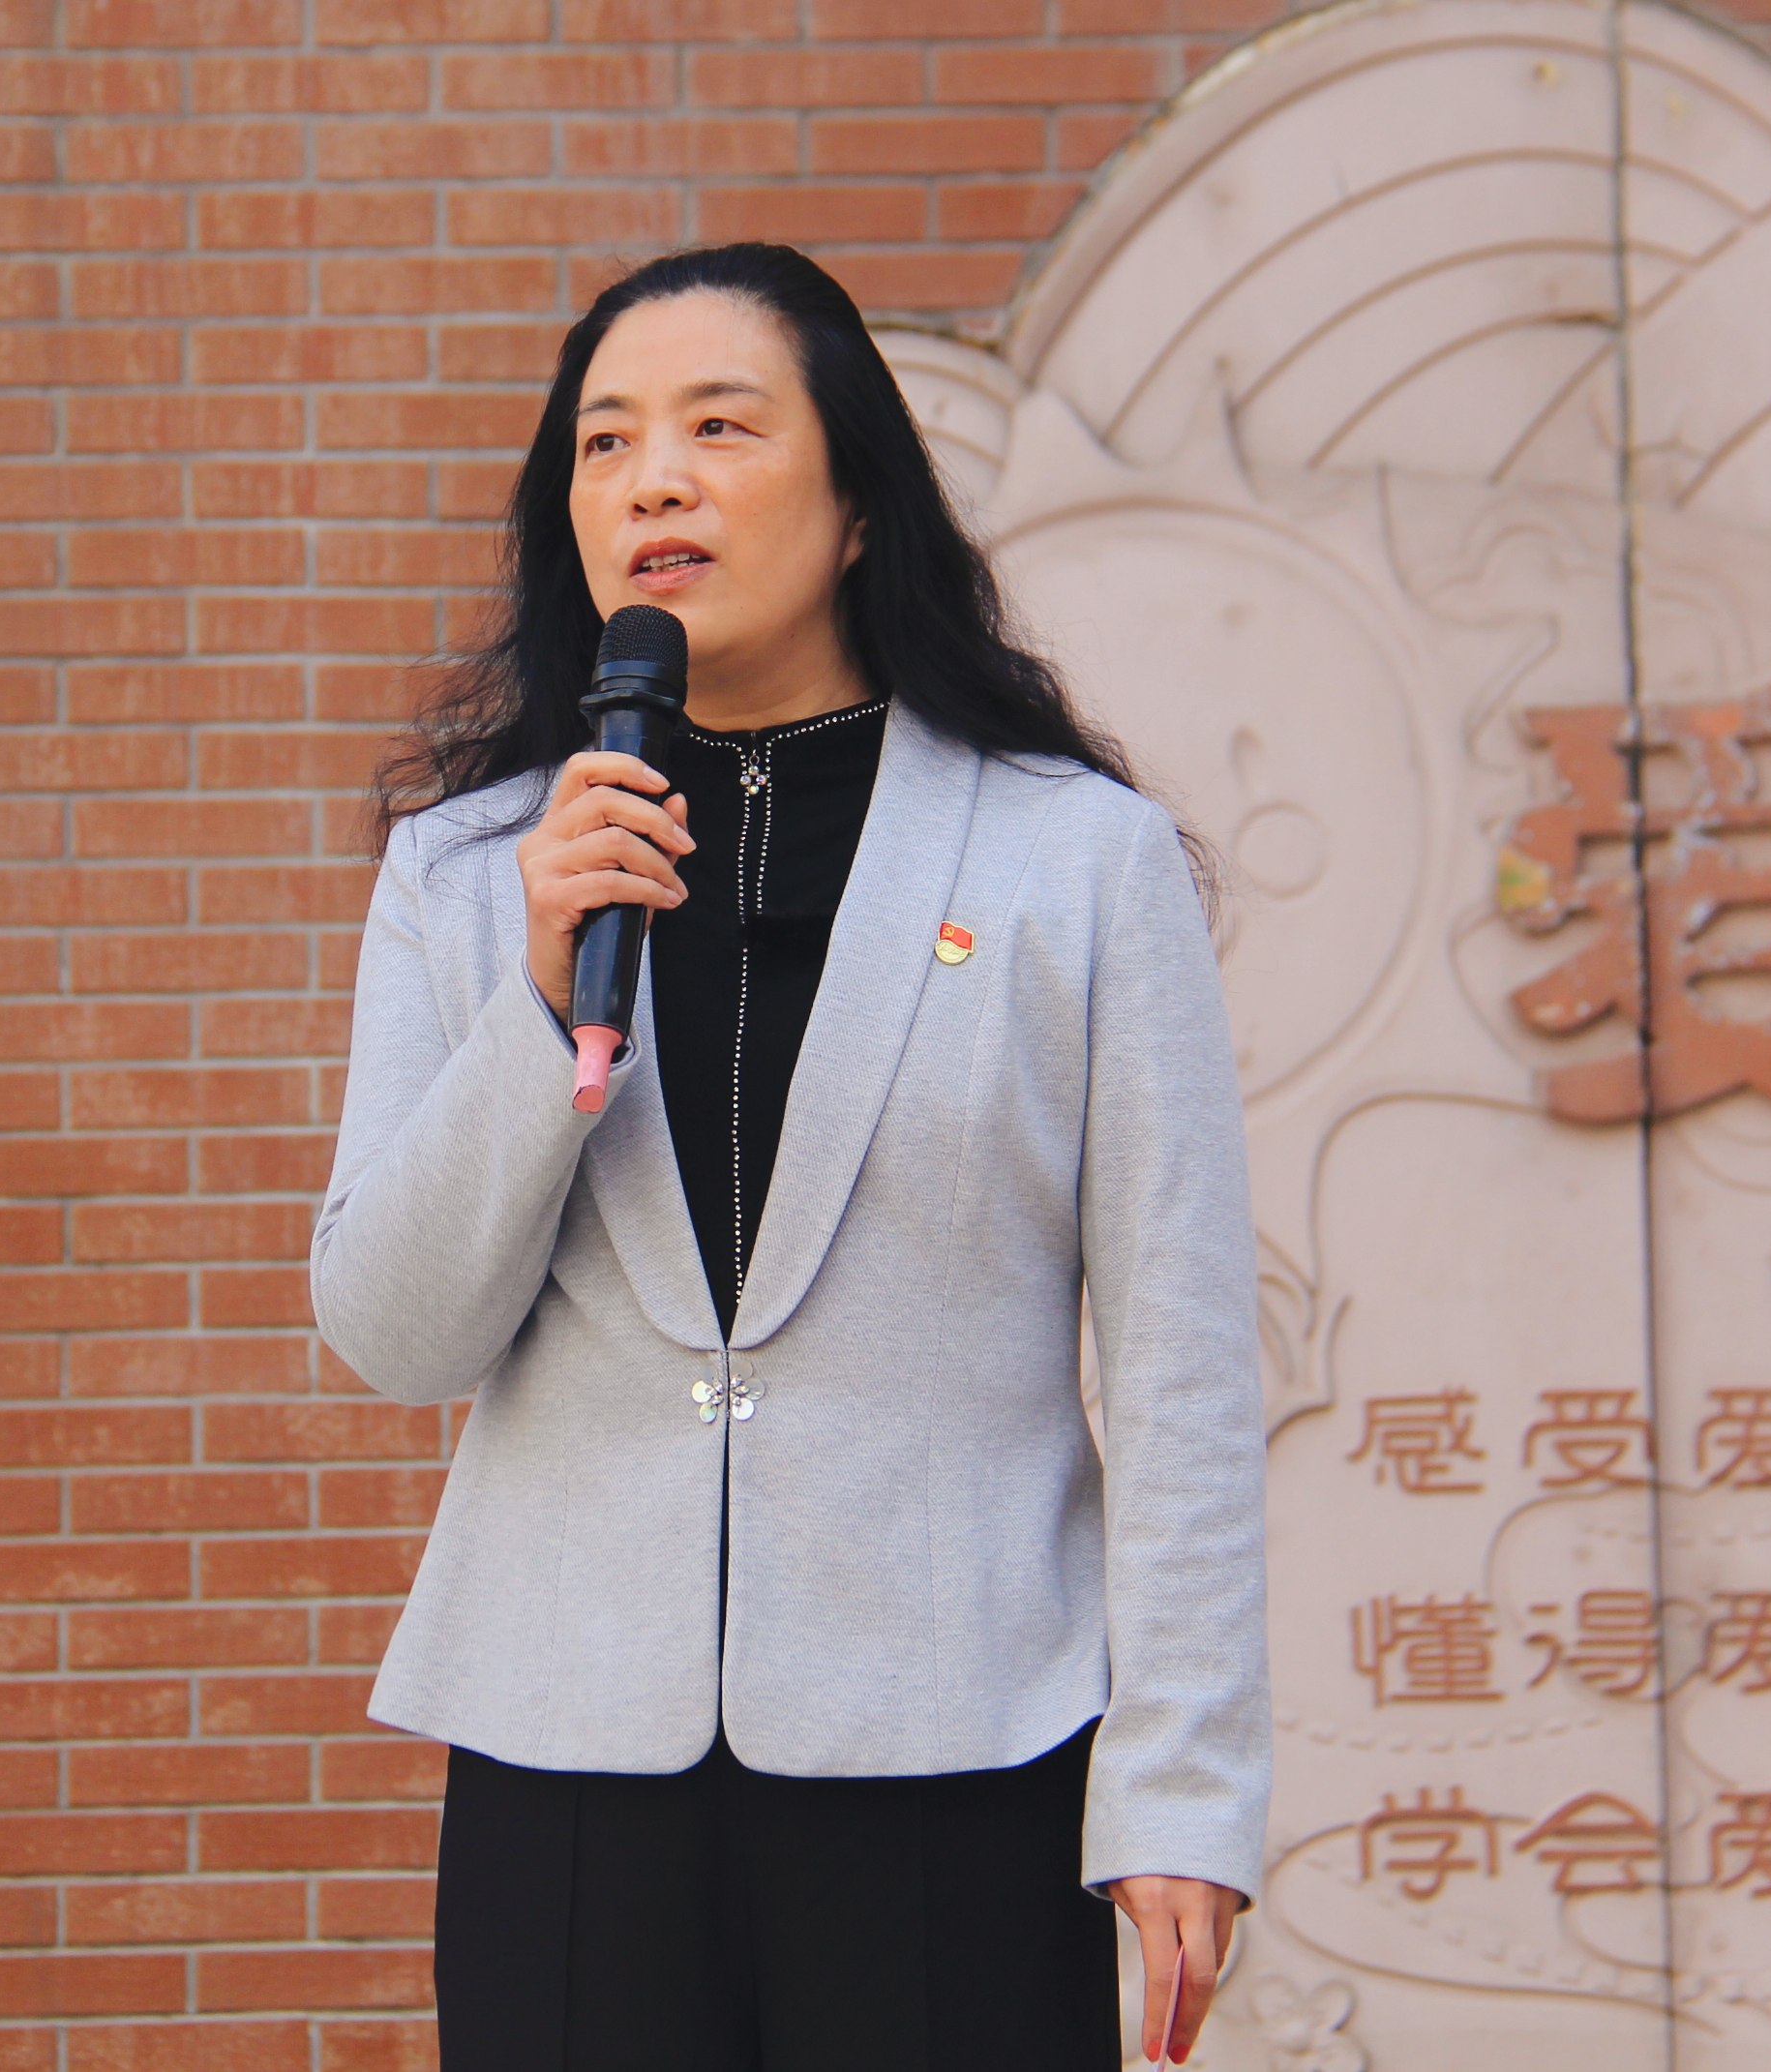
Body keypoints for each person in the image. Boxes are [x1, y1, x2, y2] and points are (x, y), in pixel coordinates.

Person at [310, 242, 1269, 2070]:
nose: (652, 480)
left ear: (855, 507)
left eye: (719, 427)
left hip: (955, 1755)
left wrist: (1185, 1780)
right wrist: (537, 1007)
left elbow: (1184, 1362)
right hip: (570, 1765)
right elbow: (397, 1333)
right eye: (604, 443)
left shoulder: (1075, 862)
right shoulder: (471, 874)